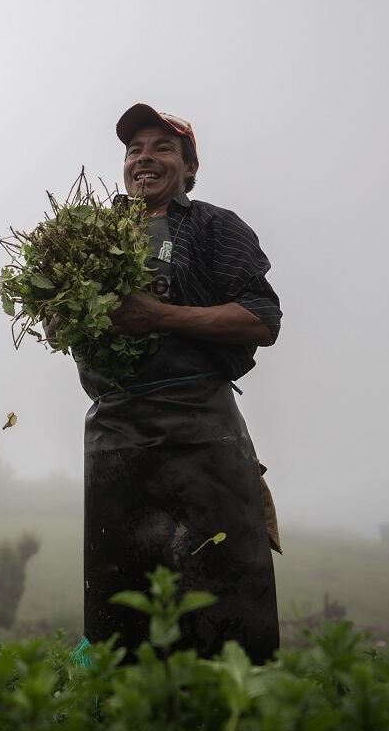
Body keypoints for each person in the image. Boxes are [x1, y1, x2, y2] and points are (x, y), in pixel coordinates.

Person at [70, 104, 283, 664]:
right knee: (122, 598)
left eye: (162, 148)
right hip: (114, 437)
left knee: (221, 594)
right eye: (134, 149)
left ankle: (232, 703)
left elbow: (262, 320)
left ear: (189, 168)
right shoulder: (88, 239)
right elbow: (65, 318)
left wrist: (159, 315)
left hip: (200, 433)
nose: (145, 158)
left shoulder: (215, 226)